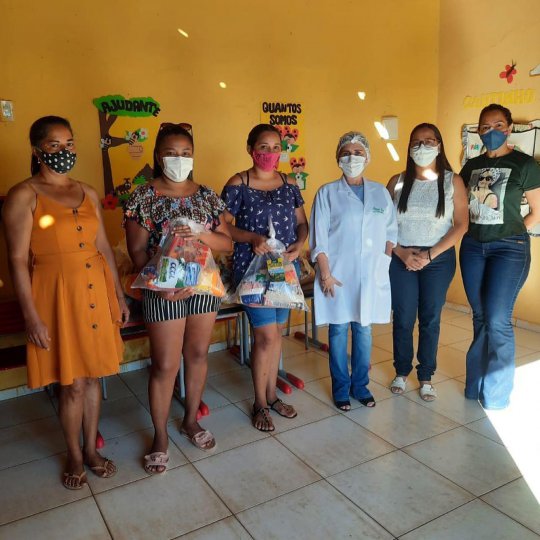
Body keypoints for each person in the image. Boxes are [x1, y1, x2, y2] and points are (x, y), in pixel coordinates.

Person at [3, 116, 129, 490]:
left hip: (95, 290)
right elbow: (16, 260)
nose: (64, 151)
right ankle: (74, 454)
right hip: (56, 296)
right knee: (71, 382)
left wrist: (117, 295)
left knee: (93, 377)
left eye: (69, 143)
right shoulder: (24, 194)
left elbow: (103, 247)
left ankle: (91, 449)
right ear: (37, 150)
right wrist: (31, 316)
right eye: (54, 145)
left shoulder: (87, 192)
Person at [124, 123, 232, 471]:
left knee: (197, 354)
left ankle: (190, 420)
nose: (179, 159)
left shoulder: (207, 196)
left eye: (186, 153)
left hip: (203, 287)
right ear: (158, 156)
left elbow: (226, 243)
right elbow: (137, 252)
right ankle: (160, 435)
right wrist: (163, 282)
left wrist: (201, 235)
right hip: (164, 291)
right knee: (166, 364)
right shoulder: (142, 197)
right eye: (171, 153)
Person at [222, 124, 308, 432]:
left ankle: (272, 396)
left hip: (283, 271)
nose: (270, 154)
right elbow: (223, 226)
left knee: (277, 335)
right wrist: (250, 237)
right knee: (266, 337)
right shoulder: (238, 183)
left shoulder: (289, 183)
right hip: (252, 270)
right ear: (250, 149)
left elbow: (301, 223)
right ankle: (259, 403)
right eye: (263, 147)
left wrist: (300, 243)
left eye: (276, 148)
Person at [459, 104, 540, 410]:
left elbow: (537, 212)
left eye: (498, 125)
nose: (490, 131)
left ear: (509, 128)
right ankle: (475, 385)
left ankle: (496, 396)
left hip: (509, 249)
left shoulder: (524, 164)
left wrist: (511, 232)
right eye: (484, 126)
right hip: (473, 247)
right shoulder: (471, 166)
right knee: (480, 316)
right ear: (478, 131)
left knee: (497, 318)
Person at [309, 131, 397, 411]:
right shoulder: (327, 193)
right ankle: (341, 388)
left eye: (358, 153)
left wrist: (383, 263)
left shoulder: (380, 193)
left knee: (364, 330)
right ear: (337, 158)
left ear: (368, 157)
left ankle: (360, 386)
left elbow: (391, 232)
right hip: (336, 276)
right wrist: (325, 273)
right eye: (346, 153)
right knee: (338, 331)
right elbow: (318, 238)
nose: (352, 158)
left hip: (370, 275)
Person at [386, 123, 468, 401]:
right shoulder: (396, 181)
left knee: (430, 318)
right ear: (409, 148)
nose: (422, 147)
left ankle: (426, 375)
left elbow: (461, 224)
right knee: (403, 317)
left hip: (438, 260)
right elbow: (381, 225)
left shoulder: (453, 181)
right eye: (416, 142)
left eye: (429, 141)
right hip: (401, 258)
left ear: (439, 146)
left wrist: (430, 255)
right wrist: (401, 253)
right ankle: (401, 371)